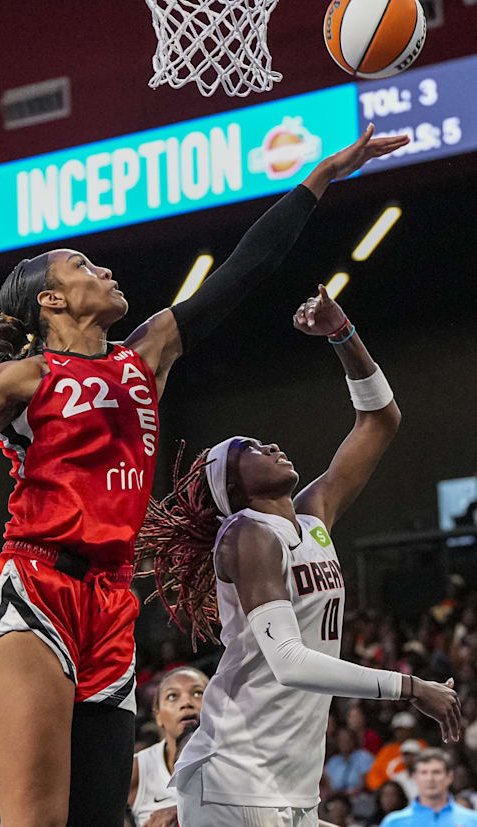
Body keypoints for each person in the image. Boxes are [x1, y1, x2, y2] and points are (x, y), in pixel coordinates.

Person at [0, 125, 409, 827]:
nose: (104, 270)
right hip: (34, 587)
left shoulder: (147, 353)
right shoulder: (22, 375)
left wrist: (321, 178)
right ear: (51, 301)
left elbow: (242, 272)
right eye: (84, 266)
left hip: (111, 603)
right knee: (36, 818)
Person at [137, 287, 461, 826]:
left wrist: (343, 335)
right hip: (234, 777)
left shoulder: (312, 516)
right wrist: (410, 688)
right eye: (252, 450)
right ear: (232, 488)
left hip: (288, 780)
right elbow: (287, 662)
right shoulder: (246, 532)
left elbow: (380, 420)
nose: (272, 446)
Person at [128, 667, 208, 826]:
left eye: (198, 693)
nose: (186, 703)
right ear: (157, 715)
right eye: (172, 696)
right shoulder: (136, 771)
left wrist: (183, 811)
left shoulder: (239, 761)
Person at [380, 749, 477, 827]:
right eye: (424, 773)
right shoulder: (393, 822)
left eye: (436, 772)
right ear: (415, 777)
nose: (430, 779)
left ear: (449, 777)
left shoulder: (472, 820)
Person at [367, 713, 427, 792]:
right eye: (398, 730)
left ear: (412, 730)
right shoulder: (387, 750)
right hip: (391, 791)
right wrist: (383, 789)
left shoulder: (421, 745)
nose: (400, 733)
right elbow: (373, 775)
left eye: (404, 729)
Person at [325, 727, 374, 795]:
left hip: (359, 796)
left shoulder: (364, 757)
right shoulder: (333, 761)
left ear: (354, 740)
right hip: (336, 797)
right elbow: (328, 783)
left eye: (347, 739)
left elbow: (366, 781)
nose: (344, 743)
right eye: (341, 740)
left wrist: (352, 793)